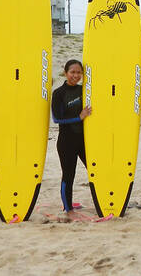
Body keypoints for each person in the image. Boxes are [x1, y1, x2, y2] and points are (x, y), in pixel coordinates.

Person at [51, 59, 92, 218]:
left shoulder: (85, 91)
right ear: (66, 72)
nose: (76, 75)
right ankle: (68, 210)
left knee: (95, 170)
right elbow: (57, 119)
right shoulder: (59, 93)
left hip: (84, 141)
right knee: (69, 174)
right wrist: (79, 117)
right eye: (72, 72)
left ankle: (103, 200)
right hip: (66, 141)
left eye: (79, 72)